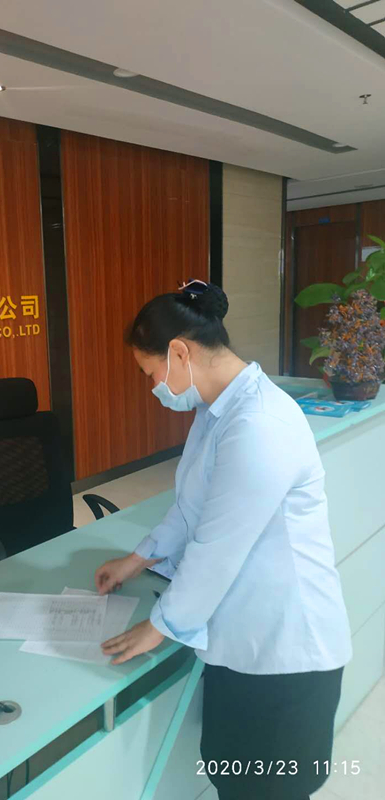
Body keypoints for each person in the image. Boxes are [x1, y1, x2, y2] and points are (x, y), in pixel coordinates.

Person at [94, 280, 352, 800]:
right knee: (233, 777)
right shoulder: (217, 411)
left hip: (285, 648)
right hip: (243, 636)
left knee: (270, 789)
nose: (154, 387)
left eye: (150, 372)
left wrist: (159, 627)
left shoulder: (259, 423)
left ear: (179, 353)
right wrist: (138, 558)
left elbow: (219, 546)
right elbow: (195, 507)